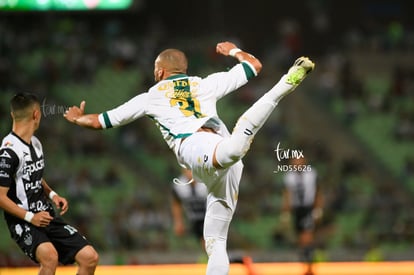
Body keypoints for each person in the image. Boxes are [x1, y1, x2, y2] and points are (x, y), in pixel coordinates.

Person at [64, 41, 314, 275]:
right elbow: (253, 66)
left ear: (160, 71)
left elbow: (100, 121)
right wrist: (233, 50)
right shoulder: (204, 84)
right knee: (216, 239)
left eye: (155, 69)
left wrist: (77, 119)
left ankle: (285, 84)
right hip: (222, 152)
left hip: (196, 148)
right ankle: (282, 87)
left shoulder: (151, 96)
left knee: (234, 154)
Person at [0, 93, 99, 275]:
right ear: (36, 115)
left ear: (13, 114)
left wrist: (53, 194)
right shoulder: (8, 152)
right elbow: (0, 197)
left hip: (46, 215)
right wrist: (31, 217)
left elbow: (31, 175)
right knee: (50, 257)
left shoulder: (36, 143)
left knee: (89, 257)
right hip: (24, 220)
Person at [281, 157, 323, 275]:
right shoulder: (289, 176)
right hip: (296, 210)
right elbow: (287, 195)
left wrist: (318, 209)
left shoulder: (312, 174)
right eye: (294, 161)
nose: (296, 163)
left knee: (306, 237)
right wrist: (286, 213)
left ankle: (310, 267)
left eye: (298, 161)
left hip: (308, 208)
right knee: (300, 239)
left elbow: (318, 191)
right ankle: (306, 265)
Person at [171, 168, 208, 249]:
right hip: (194, 220)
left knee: (209, 243)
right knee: (204, 244)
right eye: (187, 170)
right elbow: (176, 203)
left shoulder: (207, 182)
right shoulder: (179, 185)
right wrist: (178, 222)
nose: (190, 173)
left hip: (210, 217)